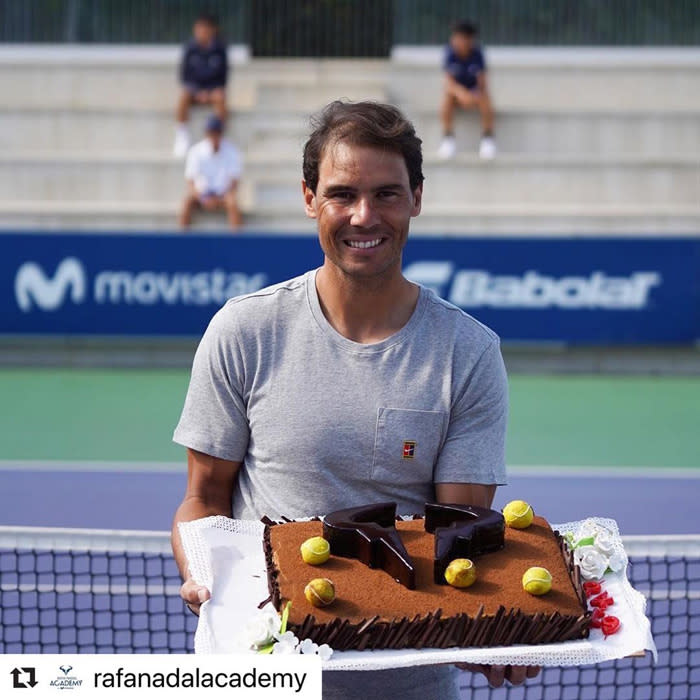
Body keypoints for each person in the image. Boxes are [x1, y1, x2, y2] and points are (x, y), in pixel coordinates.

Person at [172, 101, 537, 697]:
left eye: (387, 194)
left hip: (409, 683)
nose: (364, 216)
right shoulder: (242, 331)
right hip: (262, 675)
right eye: (342, 194)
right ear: (309, 197)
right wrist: (204, 574)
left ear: (417, 197)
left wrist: (493, 631)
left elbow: (461, 537)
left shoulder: (468, 352)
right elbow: (202, 499)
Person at [438, 20, 496, 160]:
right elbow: (449, 83)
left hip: (475, 93)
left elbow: (482, 82)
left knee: (486, 97)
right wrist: (462, 94)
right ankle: (448, 139)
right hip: (457, 94)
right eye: (455, 37)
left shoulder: (478, 54)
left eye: (460, 37)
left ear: (469, 40)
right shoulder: (450, 53)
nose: (455, 40)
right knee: (447, 98)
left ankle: (487, 139)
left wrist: (473, 95)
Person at [174, 12, 228, 158]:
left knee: (220, 97)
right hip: (194, 91)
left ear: (212, 30)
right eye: (199, 29)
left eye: (205, 29)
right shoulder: (190, 49)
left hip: (212, 91)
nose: (202, 32)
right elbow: (184, 76)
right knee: (183, 96)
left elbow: (223, 77)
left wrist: (208, 92)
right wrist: (197, 91)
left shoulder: (220, 50)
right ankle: (182, 135)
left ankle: (218, 136)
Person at [179, 115, 243, 230]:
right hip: (201, 196)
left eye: (217, 132)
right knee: (187, 202)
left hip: (222, 196)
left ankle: (237, 243)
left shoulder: (232, 151)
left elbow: (234, 182)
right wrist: (203, 198)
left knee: (232, 202)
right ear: (206, 134)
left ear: (221, 133)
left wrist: (219, 199)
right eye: (211, 133)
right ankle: (180, 242)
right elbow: (191, 182)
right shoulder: (195, 151)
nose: (214, 136)